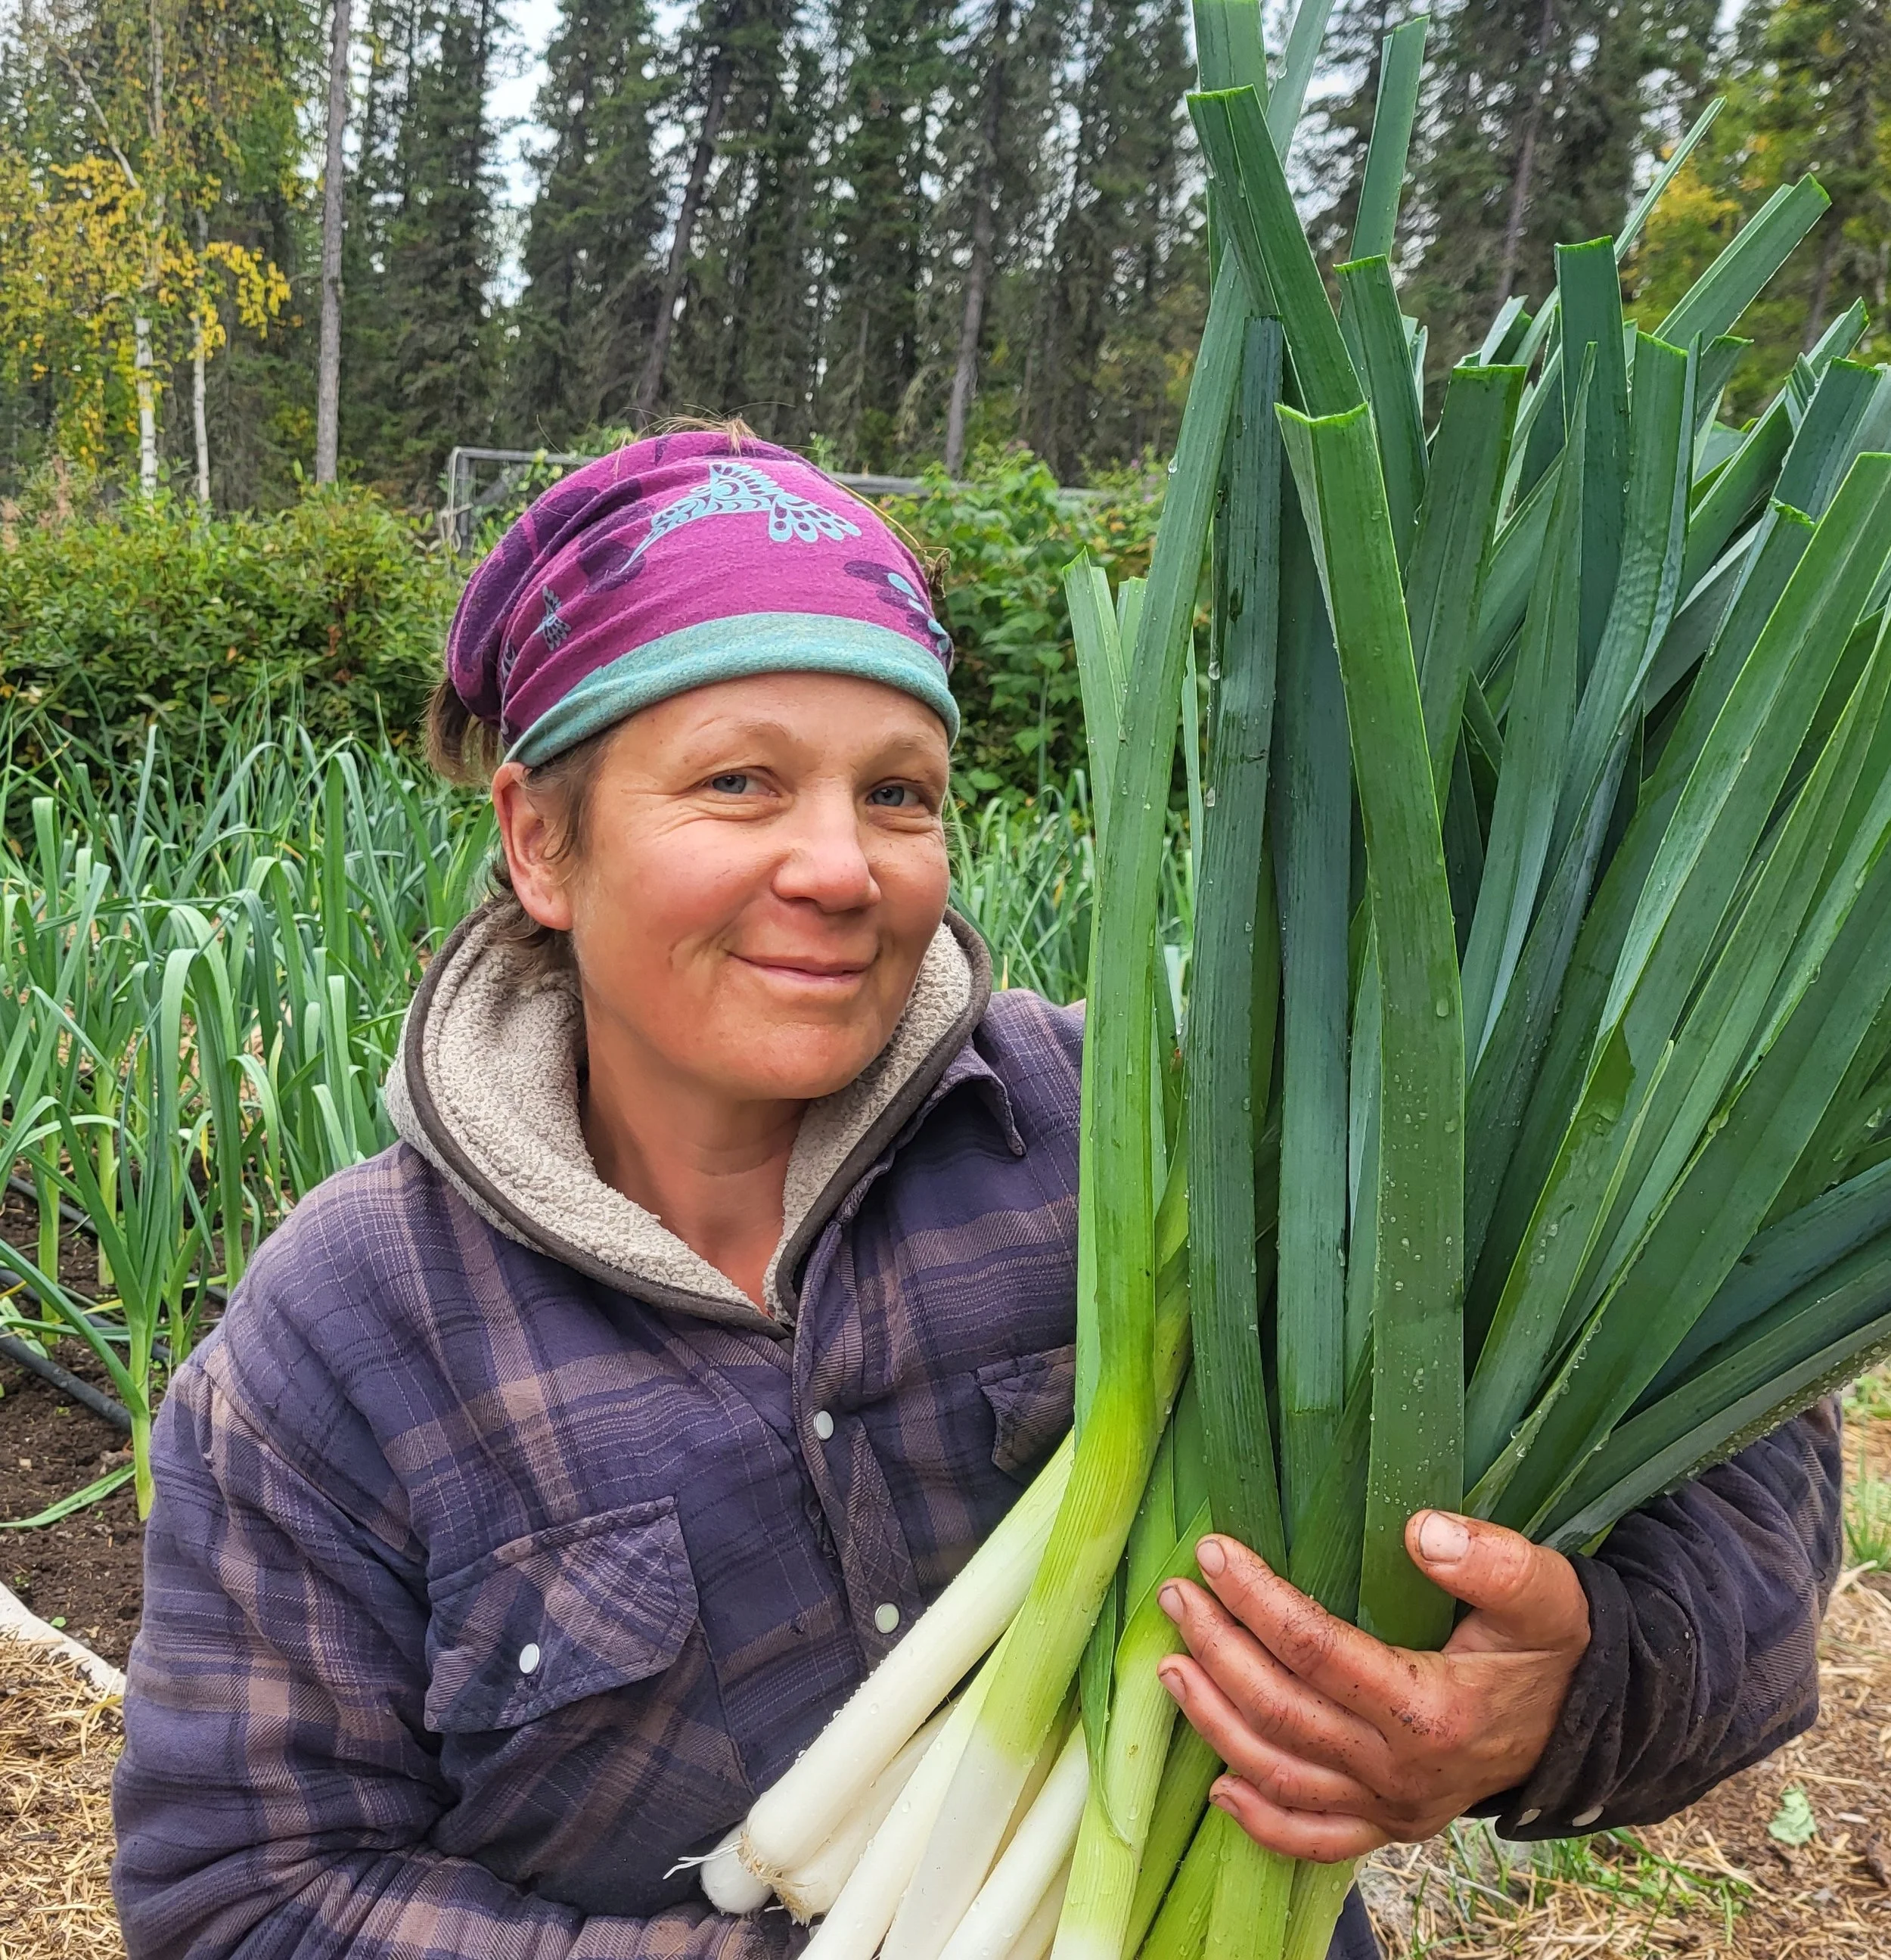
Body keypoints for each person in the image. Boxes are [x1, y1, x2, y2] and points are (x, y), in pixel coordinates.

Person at [112, 427, 1843, 1960]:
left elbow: (1720, 1429)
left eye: (899, 794)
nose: (837, 867)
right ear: (541, 839)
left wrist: (1554, 1687)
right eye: (738, 779)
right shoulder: (342, 1340)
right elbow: (248, 1893)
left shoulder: (1171, 1134)